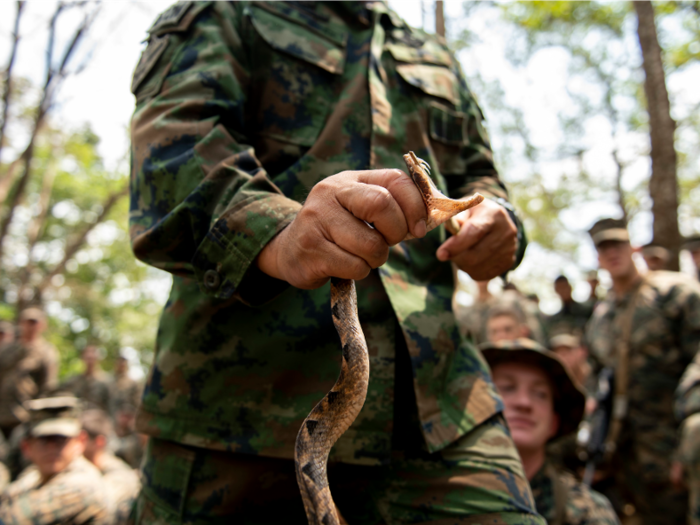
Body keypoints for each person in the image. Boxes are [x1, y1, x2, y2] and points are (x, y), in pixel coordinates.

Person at [128, 1, 542, 523]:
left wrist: (498, 221)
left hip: (442, 407)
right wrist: (279, 233)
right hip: (237, 415)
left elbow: (481, 179)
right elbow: (171, 150)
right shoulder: (228, 11)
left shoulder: (433, 56)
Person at [585, 218, 700, 524]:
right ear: (597, 257)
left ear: (632, 247)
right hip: (629, 452)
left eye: (618, 244)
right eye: (603, 247)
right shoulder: (601, 317)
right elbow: (596, 378)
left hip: (680, 440)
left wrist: (692, 431)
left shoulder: (676, 292)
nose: (612, 253)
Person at [481, 338, 619, 525]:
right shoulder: (439, 497)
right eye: (507, 388)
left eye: (540, 394)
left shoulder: (587, 512)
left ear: (554, 422)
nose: (524, 402)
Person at [0, 395, 109, 524]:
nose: (51, 447)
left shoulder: (83, 483)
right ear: (26, 446)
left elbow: (12, 519)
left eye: (60, 439)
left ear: (80, 441)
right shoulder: (34, 475)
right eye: (43, 439)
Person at [0, 308, 58, 439]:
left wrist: (39, 415)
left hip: (25, 416)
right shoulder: (7, 349)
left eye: (34, 322)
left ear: (42, 325)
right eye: (26, 322)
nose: (30, 326)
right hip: (2, 413)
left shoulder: (46, 352)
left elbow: (48, 386)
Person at [82, 409, 140, 525]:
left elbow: (102, 508)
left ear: (99, 442)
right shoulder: (85, 469)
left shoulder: (118, 475)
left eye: (83, 439)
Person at [61, 345, 111, 412]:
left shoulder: (107, 382)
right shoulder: (73, 381)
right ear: (82, 358)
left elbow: (111, 406)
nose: (89, 361)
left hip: (98, 418)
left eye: (92, 357)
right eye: (87, 357)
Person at [108, 351, 141, 417]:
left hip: (127, 418)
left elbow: (137, 403)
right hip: (109, 418)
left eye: (123, 361)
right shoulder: (108, 381)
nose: (121, 363)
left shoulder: (133, 383)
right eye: (119, 361)